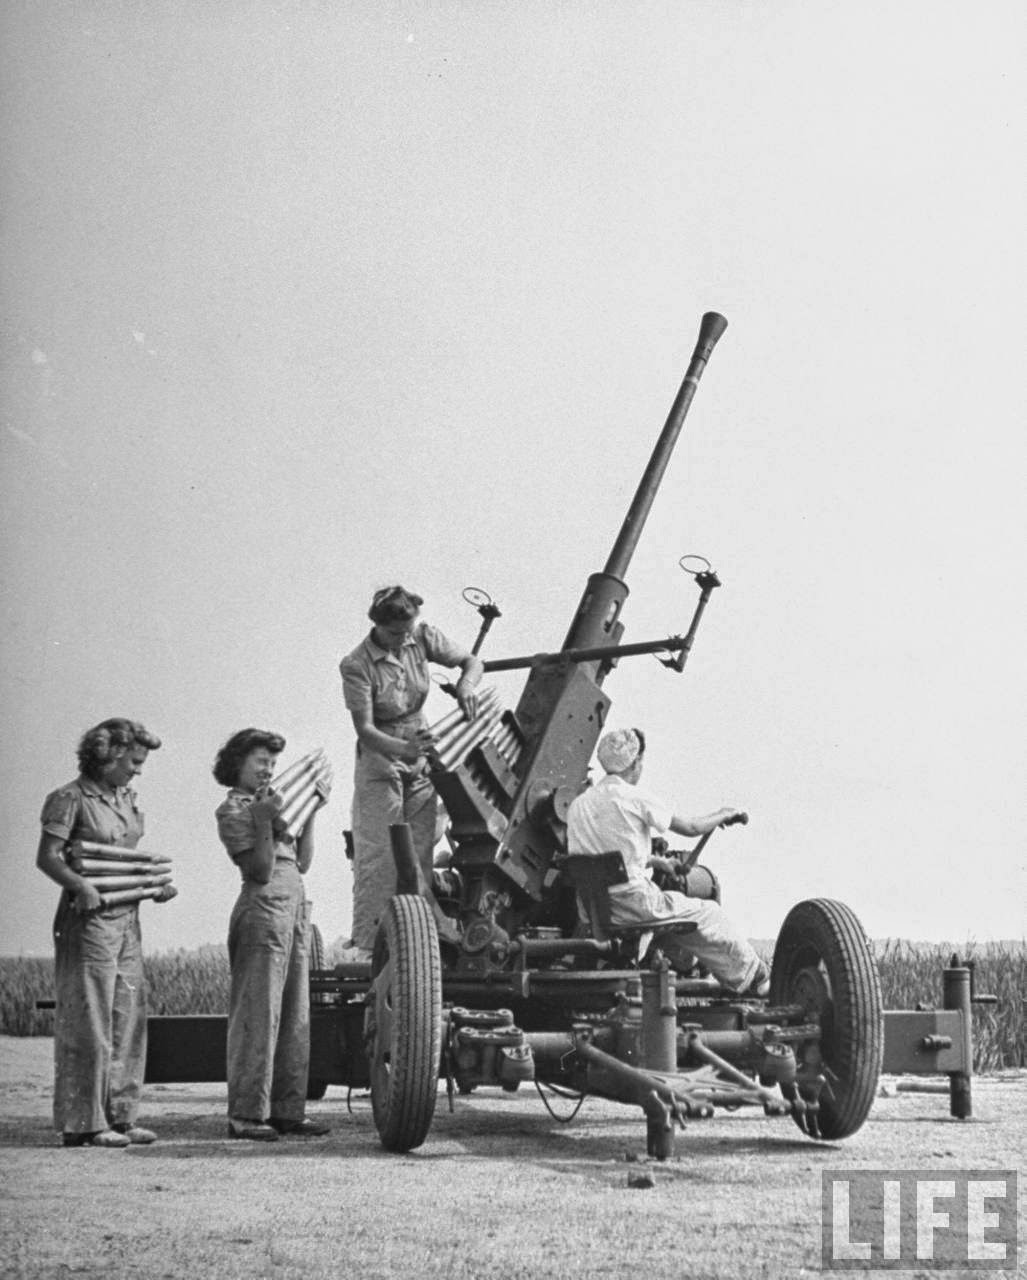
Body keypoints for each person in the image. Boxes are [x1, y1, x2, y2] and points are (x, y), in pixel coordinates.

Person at [36, 718, 175, 1148]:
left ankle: (122, 1117)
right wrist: (80, 885)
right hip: (88, 921)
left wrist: (153, 887)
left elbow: (128, 859)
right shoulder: (69, 798)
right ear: (107, 755)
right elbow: (48, 857)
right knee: (90, 1020)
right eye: (133, 762)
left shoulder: (126, 799)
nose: (138, 771)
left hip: (127, 918)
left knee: (128, 1018)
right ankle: (84, 1123)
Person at [565, 727, 770, 995]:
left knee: (676, 921)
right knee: (709, 913)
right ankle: (757, 978)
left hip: (595, 910)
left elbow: (605, 858)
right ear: (636, 762)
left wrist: (656, 863)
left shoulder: (578, 806)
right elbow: (692, 827)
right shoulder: (635, 798)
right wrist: (723, 814)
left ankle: (687, 967)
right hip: (636, 906)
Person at [339, 585, 484, 960]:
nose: (404, 639)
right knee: (381, 855)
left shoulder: (422, 637)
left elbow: (471, 662)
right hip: (381, 761)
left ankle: (421, 939)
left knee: (420, 852)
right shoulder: (356, 664)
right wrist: (404, 749)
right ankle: (370, 945)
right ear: (378, 626)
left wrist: (466, 684)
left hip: (420, 754)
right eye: (396, 633)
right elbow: (365, 730)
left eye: (408, 631)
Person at [213, 728, 330, 1142]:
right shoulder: (234, 810)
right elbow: (260, 871)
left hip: (293, 910)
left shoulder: (275, 806)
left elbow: (303, 863)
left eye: (273, 763)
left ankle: (286, 1111)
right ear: (237, 764)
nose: (269, 769)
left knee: (295, 1015)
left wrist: (311, 810)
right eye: (260, 761)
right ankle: (246, 1115)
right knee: (258, 1015)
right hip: (262, 913)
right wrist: (264, 820)